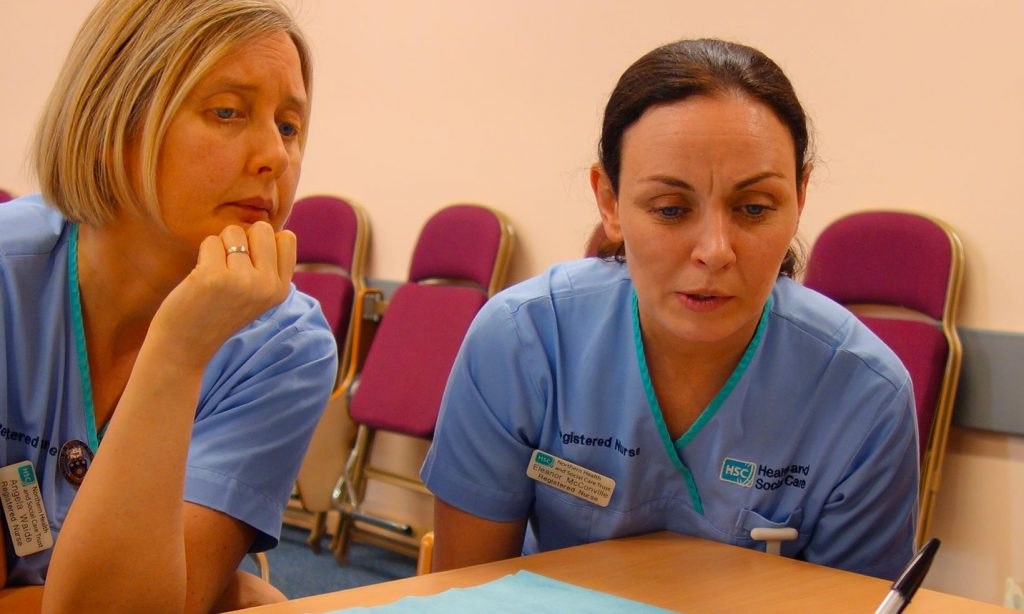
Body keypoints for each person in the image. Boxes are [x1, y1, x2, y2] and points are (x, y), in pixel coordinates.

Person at [421, 38, 918, 580]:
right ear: (609, 202)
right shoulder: (523, 342)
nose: (715, 250)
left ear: (800, 196)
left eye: (754, 208)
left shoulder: (864, 397)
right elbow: (464, 592)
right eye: (671, 209)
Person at [0, 0, 337, 610]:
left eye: (289, 126)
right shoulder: (8, 278)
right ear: (111, 123)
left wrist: (179, 349)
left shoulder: (286, 347)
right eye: (228, 112)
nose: (276, 157)